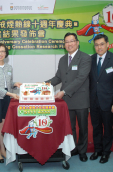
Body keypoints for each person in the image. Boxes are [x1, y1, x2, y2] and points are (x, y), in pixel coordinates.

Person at [46, 32, 91, 162]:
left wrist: (63, 91)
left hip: (80, 99)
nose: (69, 44)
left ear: (77, 43)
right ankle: (73, 148)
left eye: (72, 41)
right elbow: (58, 78)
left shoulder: (85, 58)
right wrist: (43, 85)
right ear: (64, 44)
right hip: (67, 100)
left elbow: (80, 78)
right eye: (66, 42)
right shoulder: (62, 59)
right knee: (70, 127)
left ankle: (82, 151)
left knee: (83, 127)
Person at [89, 34, 113, 163]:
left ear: (108, 44)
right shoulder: (91, 59)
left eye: (102, 44)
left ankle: (106, 152)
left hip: (108, 102)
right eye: (97, 44)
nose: (99, 47)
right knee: (96, 126)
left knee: (108, 128)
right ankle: (97, 150)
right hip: (93, 101)